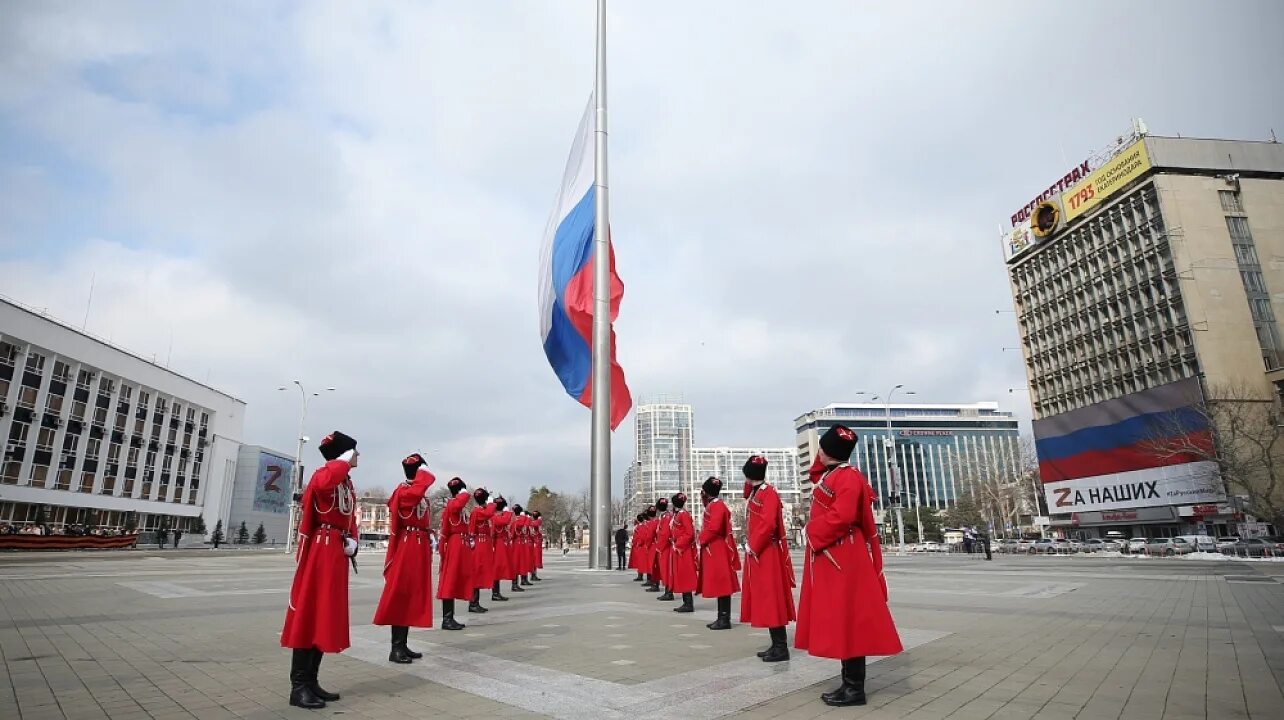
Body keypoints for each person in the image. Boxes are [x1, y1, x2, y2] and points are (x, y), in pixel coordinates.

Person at [796, 425, 903, 707]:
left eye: (821, 447)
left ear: (828, 451)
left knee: (850, 619)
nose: (817, 452)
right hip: (838, 554)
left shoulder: (848, 477)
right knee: (844, 619)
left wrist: (812, 530)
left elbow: (842, 517)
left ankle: (855, 688)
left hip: (843, 555)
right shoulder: (836, 474)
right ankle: (848, 684)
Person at [280, 431, 360, 710]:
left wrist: (354, 541)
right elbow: (324, 485)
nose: (358, 457)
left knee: (324, 615)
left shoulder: (346, 482)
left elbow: (349, 517)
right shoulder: (324, 475)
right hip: (320, 551)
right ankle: (298, 686)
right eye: (354, 453)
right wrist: (341, 458)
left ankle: (312, 681)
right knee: (311, 613)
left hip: (335, 550)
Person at [372, 453, 436, 664]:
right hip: (407, 545)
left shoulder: (417, 492)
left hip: (418, 543)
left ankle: (403, 643)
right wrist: (424, 474)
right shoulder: (405, 490)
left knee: (411, 593)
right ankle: (395, 648)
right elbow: (414, 497)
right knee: (401, 593)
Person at [740, 455, 797, 662]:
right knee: (765, 598)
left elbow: (767, 524)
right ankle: (776, 644)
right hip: (759, 552)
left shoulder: (768, 493)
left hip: (766, 552)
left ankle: (781, 648)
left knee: (771, 598)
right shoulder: (757, 492)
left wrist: (753, 545)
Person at [697, 477, 740, 630]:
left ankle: (724, 618)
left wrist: (701, 539)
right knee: (719, 584)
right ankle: (721, 617)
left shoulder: (717, 505)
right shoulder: (713, 505)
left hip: (717, 548)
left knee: (722, 585)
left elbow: (714, 528)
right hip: (714, 548)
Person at [436, 477, 473, 631]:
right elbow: (460, 501)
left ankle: (450, 617)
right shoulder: (453, 504)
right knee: (450, 581)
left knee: (457, 579)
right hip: (455, 544)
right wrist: (463, 492)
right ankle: (447, 618)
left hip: (461, 544)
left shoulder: (456, 505)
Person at [669, 493, 698, 613]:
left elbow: (689, 533)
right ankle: (686, 602)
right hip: (679, 548)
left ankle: (688, 603)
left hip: (683, 550)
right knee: (682, 575)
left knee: (685, 575)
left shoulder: (683, 515)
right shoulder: (679, 515)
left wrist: (678, 543)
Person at [468, 488, 495, 614]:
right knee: (477, 574)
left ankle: (475, 602)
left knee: (480, 573)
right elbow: (489, 513)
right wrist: (490, 503)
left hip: (483, 544)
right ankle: (473, 603)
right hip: (479, 544)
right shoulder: (479, 511)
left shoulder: (479, 510)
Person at [490, 496, 513, 602]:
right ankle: (495, 593)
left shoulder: (496, 515)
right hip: (496, 543)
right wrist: (507, 512)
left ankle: (496, 592)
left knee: (497, 569)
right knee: (496, 568)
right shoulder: (495, 516)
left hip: (500, 543)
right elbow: (504, 521)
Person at [652, 498, 675, 601]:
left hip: (665, 547)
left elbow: (664, 534)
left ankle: (668, 592)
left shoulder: (666, 517)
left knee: (666, 569)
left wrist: (659, 547)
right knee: (665, 569)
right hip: (665, 546)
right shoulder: (666, 516)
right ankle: (668, 590)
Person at [508, 505, 528, 593]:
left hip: (516, 544)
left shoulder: (514, 522)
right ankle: (515, 584)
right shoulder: (521, 521)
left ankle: (515, 584)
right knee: (518, 564)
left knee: (517, 564)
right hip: (519, 544)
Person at [629, 514, 646, 581]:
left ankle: (640, 575)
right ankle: (641, 575)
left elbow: (637, 537)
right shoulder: (644, 525)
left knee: (639, 562)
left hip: (638, 546)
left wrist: (635, 543)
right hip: (642, 545)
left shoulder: (638, 527)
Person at [530, 511, 544, 581]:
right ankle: (533, 575)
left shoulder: (531, 522)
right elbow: (539, 524)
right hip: (536, 542)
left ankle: (533, 574)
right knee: (535, 559)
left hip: (533, 542)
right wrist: (539, 519)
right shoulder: (537, 522)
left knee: (533, 559)